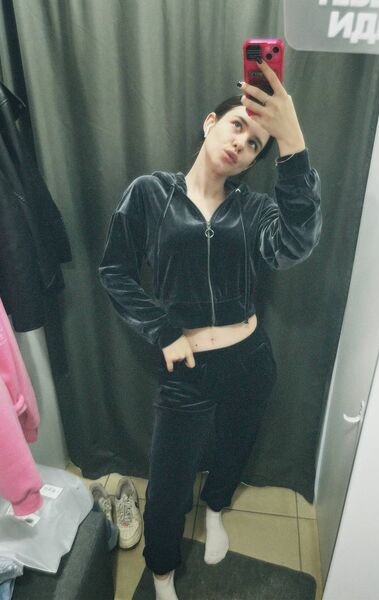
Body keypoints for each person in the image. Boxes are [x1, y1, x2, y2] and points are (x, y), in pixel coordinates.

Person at [98, 58, 322, 600]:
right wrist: (162, 330)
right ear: (210, 123)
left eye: (255, 145)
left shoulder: (256, 211)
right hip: (188, 368)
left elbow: (297, 242)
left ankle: (217, 508)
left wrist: (292, 142)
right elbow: (115, 270)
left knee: (234, 448)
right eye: (238, 127)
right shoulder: (150, 193)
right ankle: (162, 572)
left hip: (250, 360)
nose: (242, 144)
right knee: (169, 483)